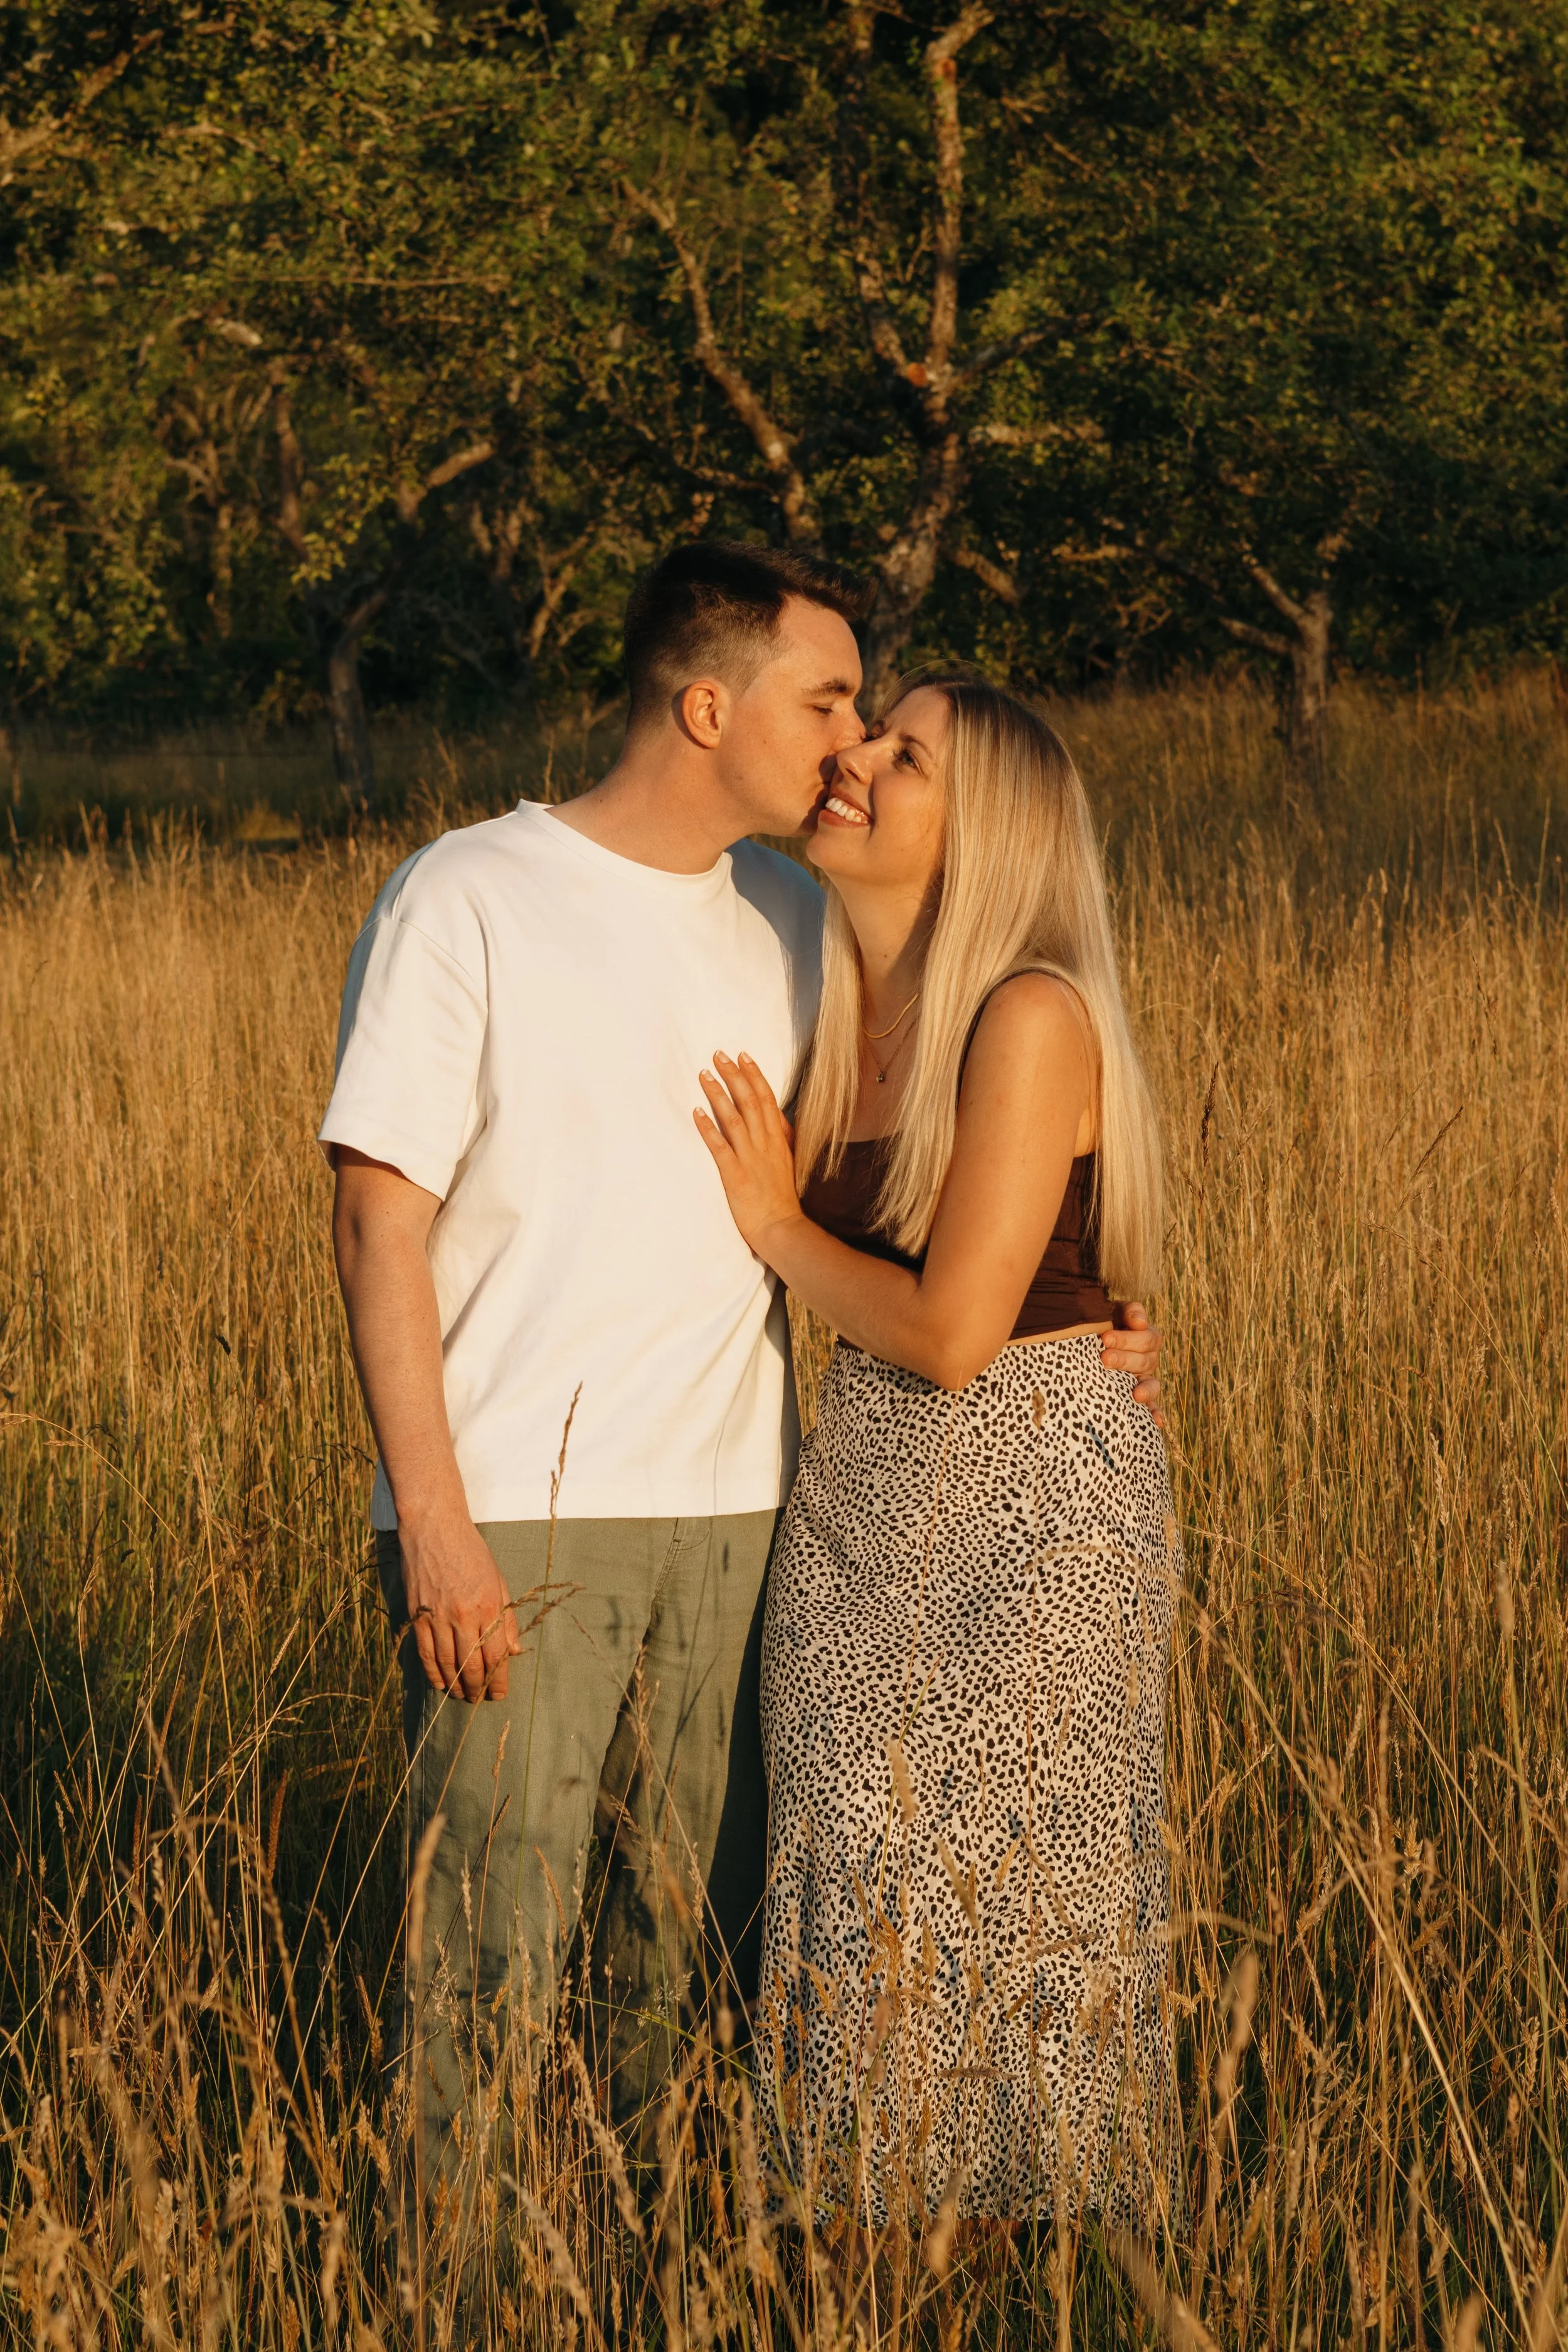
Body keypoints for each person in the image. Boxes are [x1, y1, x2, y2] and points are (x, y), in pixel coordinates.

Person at [320, 548, 1165, 2218]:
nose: (848, 745)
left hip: (749, 1519)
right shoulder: (468, 890)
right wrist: (434, 1521)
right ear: (710, 706)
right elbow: (371, 1216)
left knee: (696, 1960)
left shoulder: (799, 922)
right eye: (830, 701)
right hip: (517, 1515)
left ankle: (656, 2270)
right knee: (489, 1951)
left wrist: (1095, 1313)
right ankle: (471, 2293)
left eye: (874, 721)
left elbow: (974, 1178)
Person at [694, 674, 1182, 2231]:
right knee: (849, 1896)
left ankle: (1020, 2279)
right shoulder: (838, 991)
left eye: (906, 758)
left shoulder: (1026, 1009)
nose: (856, 762)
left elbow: (959, 1329)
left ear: (985, 836)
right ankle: (857, 2261)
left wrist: (772, 1224)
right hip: (862, 1499)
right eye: (866, 734)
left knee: (1012, 1916)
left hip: (1030, 1507)